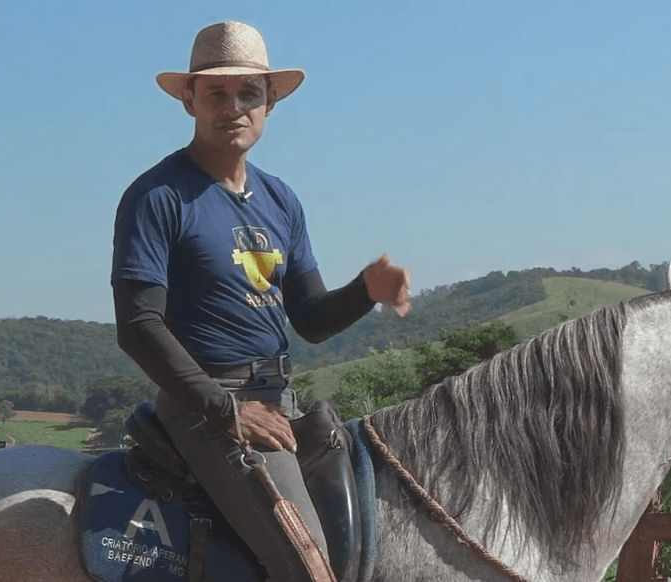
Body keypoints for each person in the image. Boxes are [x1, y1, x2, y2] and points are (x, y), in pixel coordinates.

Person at [110, 21, 411, 582]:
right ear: (189, 100)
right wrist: (227, 410)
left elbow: (311, 319)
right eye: (216, 93)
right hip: (208, 405)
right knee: (308, 569)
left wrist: (364, 291)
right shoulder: (157, 196)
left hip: (280, 399)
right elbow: (137, 324)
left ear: (270, 102)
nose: (234, 107)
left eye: (249, 93)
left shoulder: (280, 199)